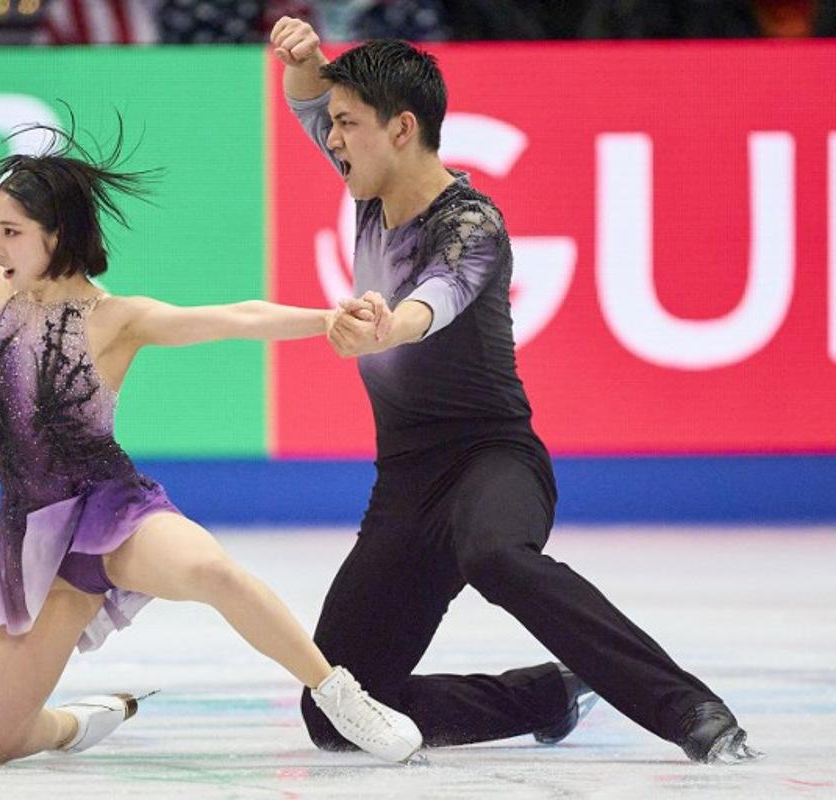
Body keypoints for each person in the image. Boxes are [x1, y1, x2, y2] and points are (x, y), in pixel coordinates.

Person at [269, 16, 763, 764]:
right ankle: (544, 695)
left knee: (495, 554)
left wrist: (389, 327)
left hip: (493, 460)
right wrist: (304, 60)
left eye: (347, 124)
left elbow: (439, 295)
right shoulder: (369, 184)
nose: (330, 138)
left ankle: (690, 708)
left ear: (402, 128)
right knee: (337, 711)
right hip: (406, 481)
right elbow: (307, 98)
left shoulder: (472, 224)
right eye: (332, 124)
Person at [0, 121, 423, 765]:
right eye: (1, 232)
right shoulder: (9, 294)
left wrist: (327, 319)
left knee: (211, 571)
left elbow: (236, 318)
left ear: (56, 235)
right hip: (34, 541)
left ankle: (340, 695)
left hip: (111, 513)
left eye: (13, 232)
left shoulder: (115, 318)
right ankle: (73, 724)